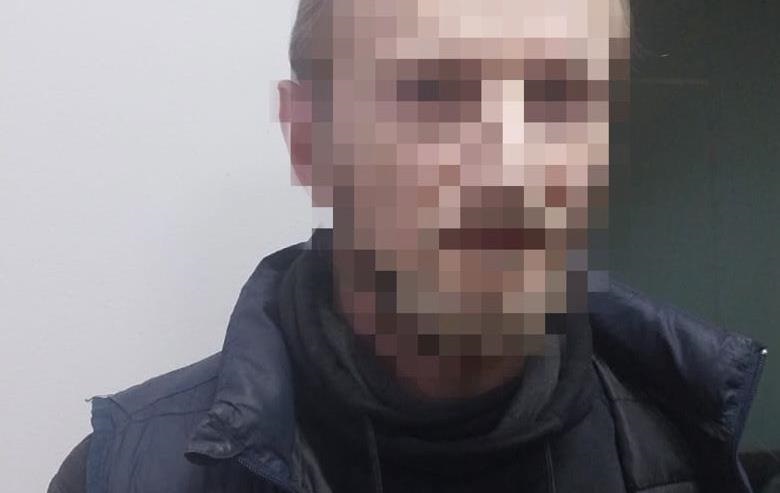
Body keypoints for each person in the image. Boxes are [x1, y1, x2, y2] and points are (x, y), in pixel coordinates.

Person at [48, 0, 768, 491]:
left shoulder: (696, 447)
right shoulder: (127, 473)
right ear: (308, 142)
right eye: (432, 92)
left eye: (561, 97)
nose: (511, 166)